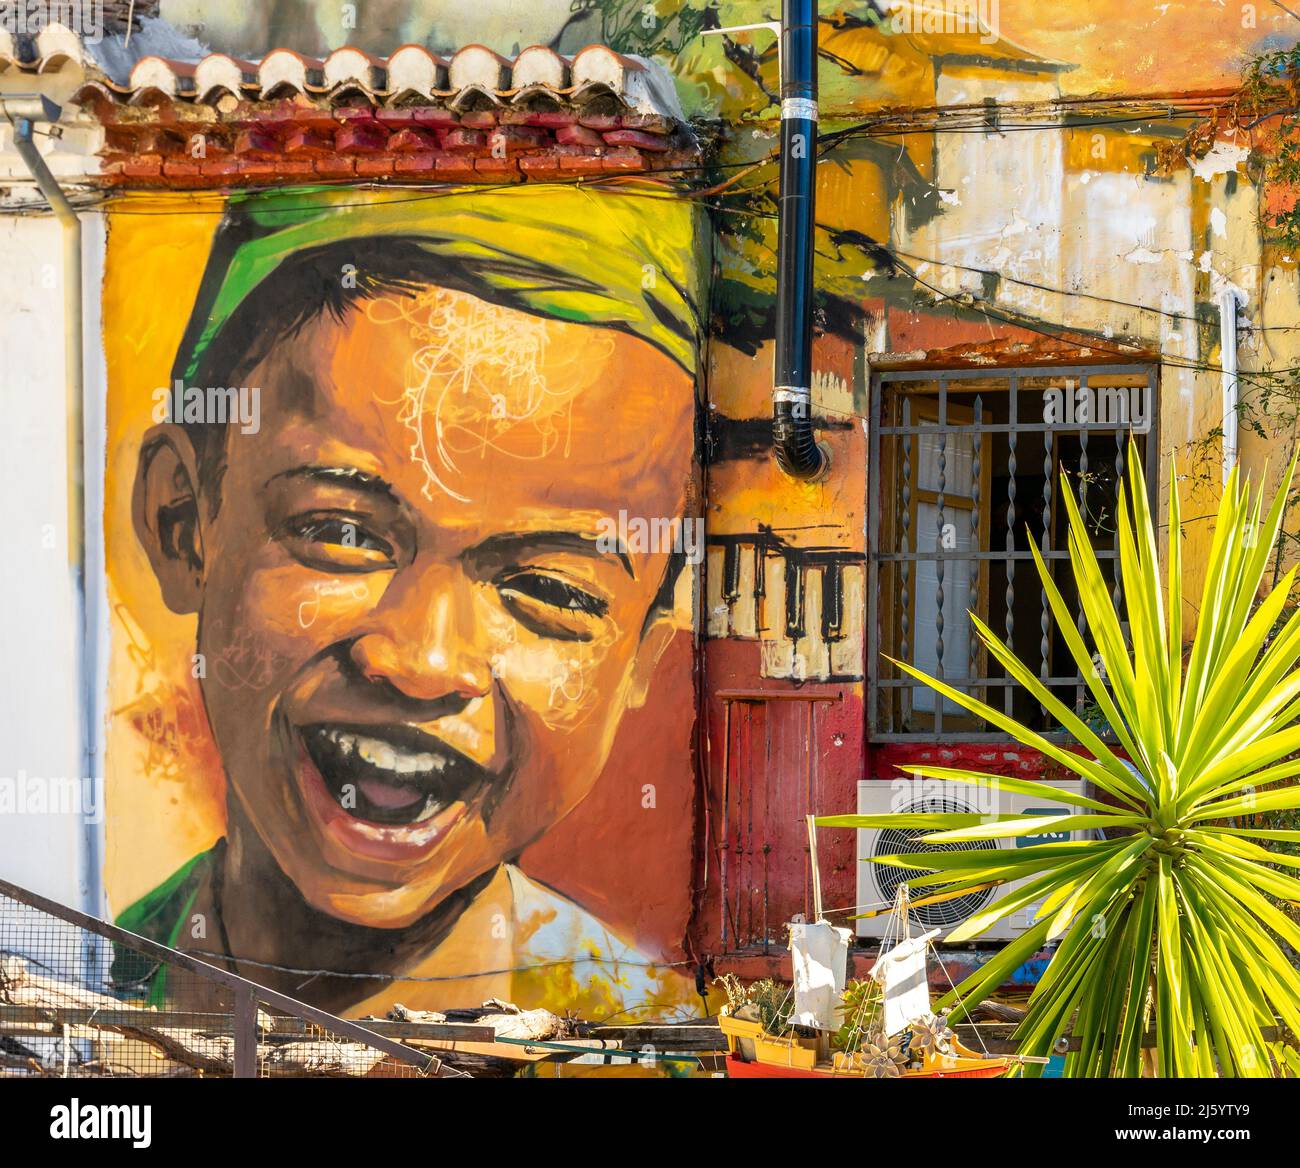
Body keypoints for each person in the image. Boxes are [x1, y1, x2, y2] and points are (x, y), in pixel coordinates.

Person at [113, 183, 708, 1019]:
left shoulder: (641, 1051)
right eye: (344, 533)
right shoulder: (76, 1003)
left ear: (641, 656)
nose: (426, 662)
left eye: (548, 589)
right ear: (184, 522)